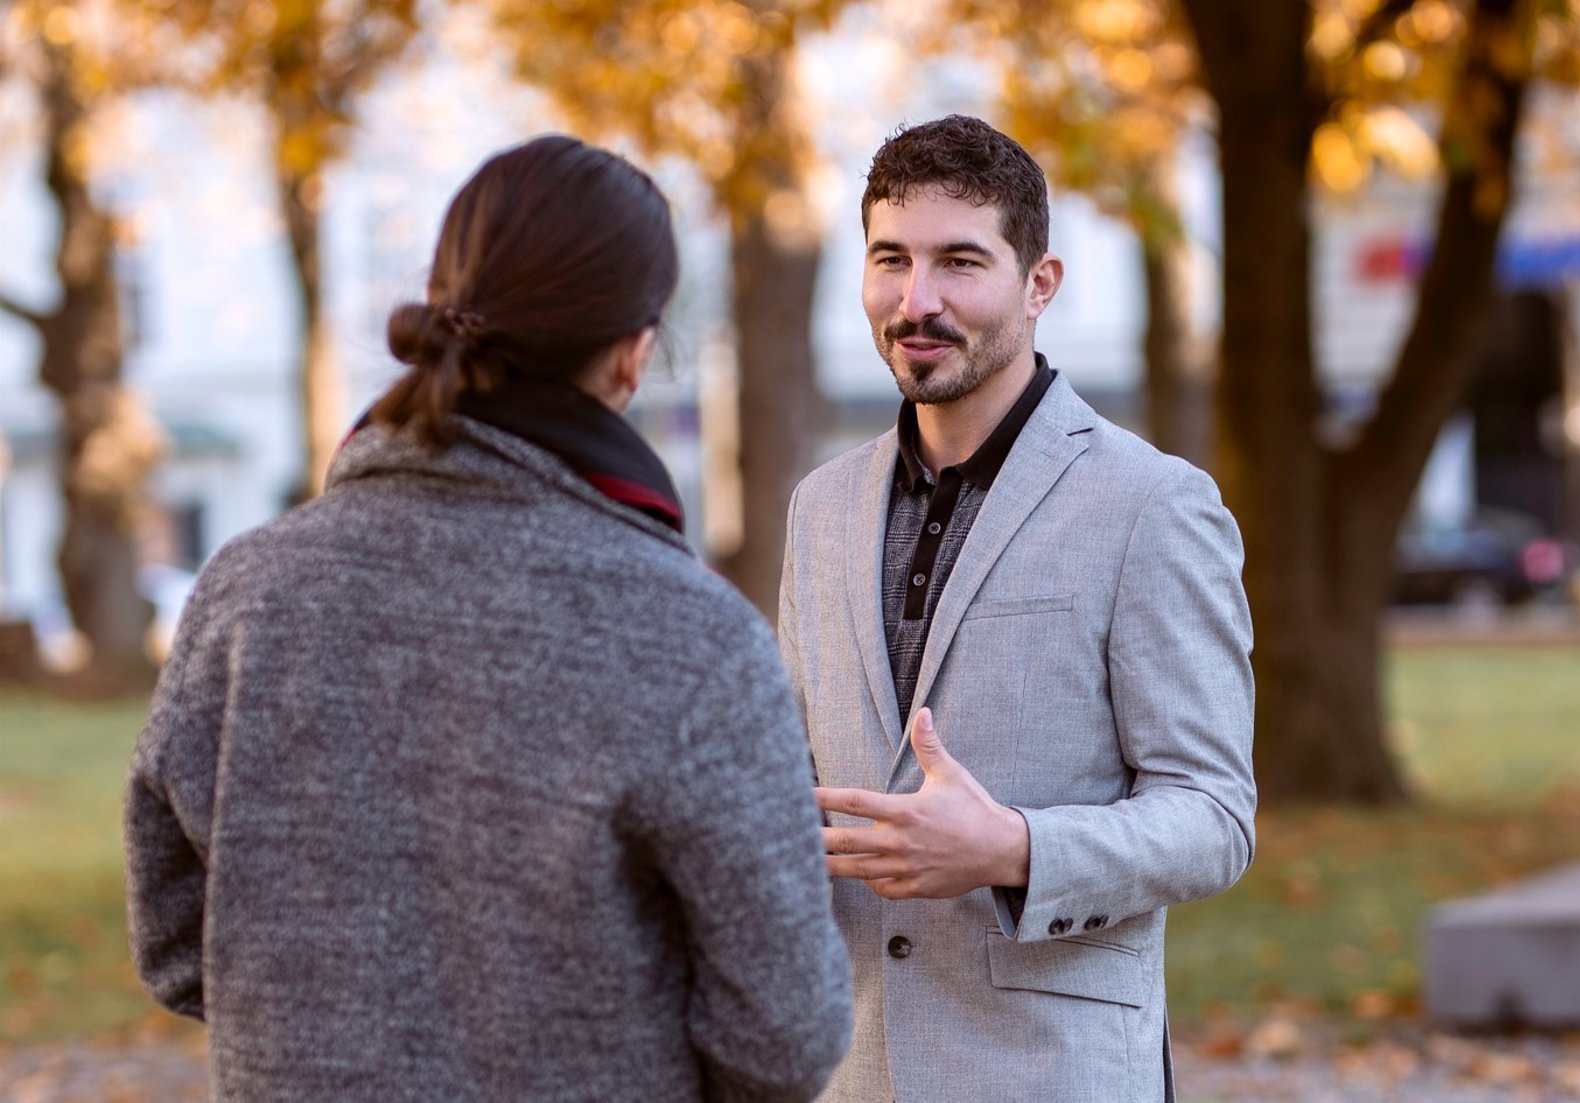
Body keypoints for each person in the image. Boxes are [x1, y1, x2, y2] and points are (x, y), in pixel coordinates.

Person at [124, 134, 852, 1102]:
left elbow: (176, 942)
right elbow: (786, 1035)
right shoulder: (692, 637)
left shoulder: (245, 593)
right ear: (635, 352)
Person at [778, 115, 1256, 1102]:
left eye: (961, 261)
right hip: (851, 1071)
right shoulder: (819, 507)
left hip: (1052, 1073)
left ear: (1040, 283)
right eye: (890, 260)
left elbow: (1213, 815)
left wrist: (1014, 848)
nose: (918, 300)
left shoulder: (1152, 503)